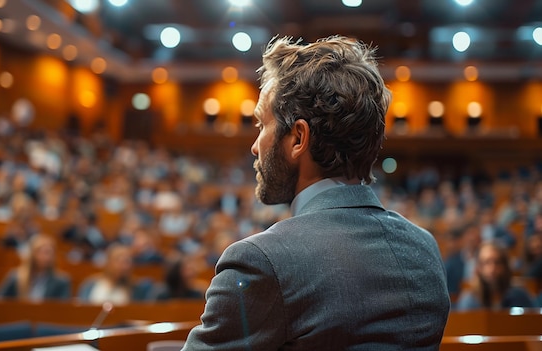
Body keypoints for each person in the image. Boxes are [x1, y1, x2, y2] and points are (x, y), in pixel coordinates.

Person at [181, 35, 450, 351]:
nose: (254, 146)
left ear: (298, 138)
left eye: (260, 125)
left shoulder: (261, 262)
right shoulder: (424, 249)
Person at [456, 240, 535, 310]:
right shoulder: (469, 300)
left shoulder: (519, 296)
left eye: (497, 262)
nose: (492, 269)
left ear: (505, 266)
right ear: (478, 268)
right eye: (486, 263)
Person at [0, 234, 71, 301]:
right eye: (42, 252)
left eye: (49, 253)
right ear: (32, 254)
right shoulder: (16, 277)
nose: (46, 257)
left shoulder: (61, 281)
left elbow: (62, 310)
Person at [77, 243, 154, 304]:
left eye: (127, 261)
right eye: (118, 260)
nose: (123, 266)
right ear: (108, 262)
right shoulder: (90, 284)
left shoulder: (137, 289)